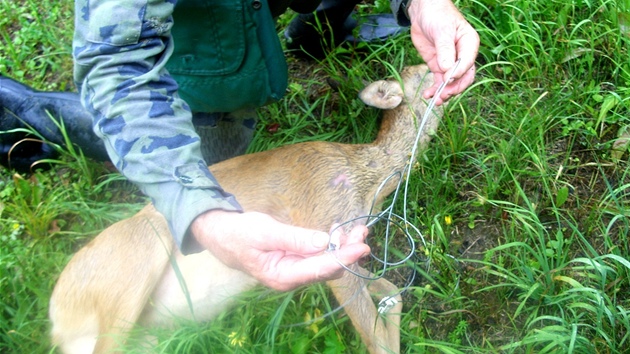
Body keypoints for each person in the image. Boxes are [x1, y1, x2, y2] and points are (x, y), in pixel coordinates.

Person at [0, 0, 479, 291]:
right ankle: (22, 111)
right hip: (194, 50)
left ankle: (318, 29)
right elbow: (117, 67)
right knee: (210, 156)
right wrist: (197, 209)